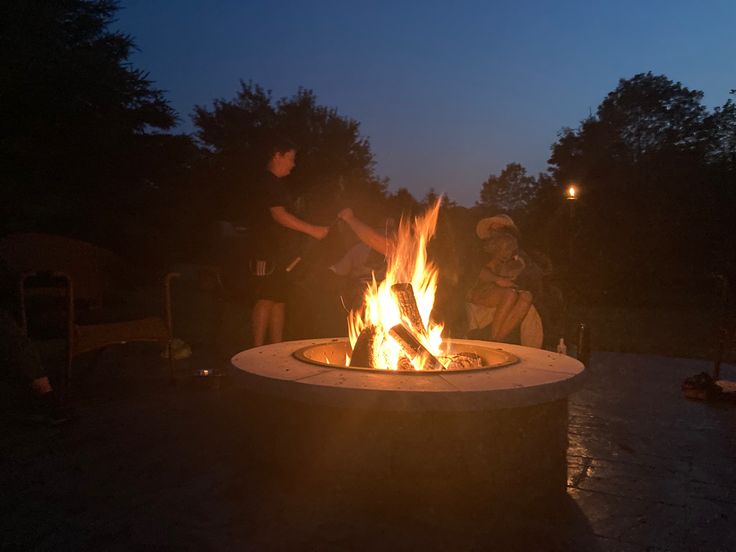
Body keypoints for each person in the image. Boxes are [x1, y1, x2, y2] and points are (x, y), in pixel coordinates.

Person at [249, 139, 329, 347]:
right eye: (291, 158)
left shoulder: (278, 185)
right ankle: (256, 352)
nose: (293, 164)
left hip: (282, 253)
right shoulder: (266, 182)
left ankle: (275, 349)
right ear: (277, 155)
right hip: (266, 251)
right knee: (266, 298)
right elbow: (278, 214)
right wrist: (313, 230)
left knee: (279, 300)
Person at [466, 215, 534, 342]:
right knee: (510, 293)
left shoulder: (514, 251)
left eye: (500, 227)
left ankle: (496, 338)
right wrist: (498, 279)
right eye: (493, 227)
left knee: (527, 296)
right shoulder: (481, 250)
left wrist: (518, 266)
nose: (496, 230)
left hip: (504, 291)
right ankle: (494, 339)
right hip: (481, 290)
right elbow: (477, 272)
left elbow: (526, 269)